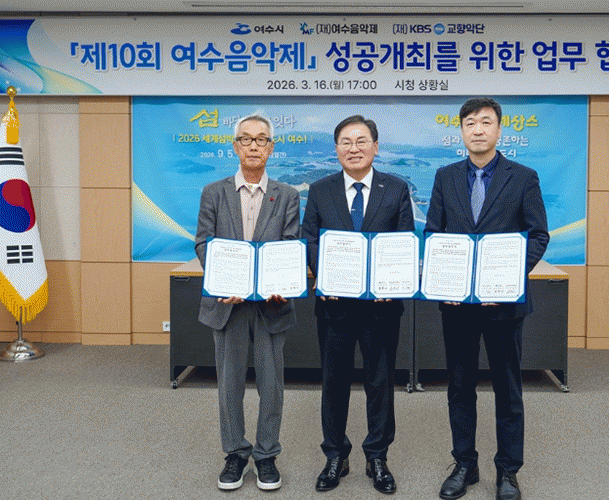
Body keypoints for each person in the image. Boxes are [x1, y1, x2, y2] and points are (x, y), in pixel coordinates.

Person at [424, 98, 549, 500]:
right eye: (470, 123)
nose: (477, 129)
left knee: (507, 390)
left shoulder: (523, 177)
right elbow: (433, 235)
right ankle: (465, 464)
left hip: (504, 306)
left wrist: (505, 280)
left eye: (485, 122)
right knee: (459, 387)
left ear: (499, 130)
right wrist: (446, 281)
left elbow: (538, 235)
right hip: (457, 305)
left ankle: (508, 471)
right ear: (461, 131)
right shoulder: (445, 177)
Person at [302, 115, 414, 494]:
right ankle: (335, 454)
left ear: (375, 147)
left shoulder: (396, 189)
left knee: (380, 383)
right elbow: (310, 238)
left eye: (361, 141)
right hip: (335, 306)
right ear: (336, 150)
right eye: (346, 142)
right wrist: (324, 273)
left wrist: (392, 281)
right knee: (333, 382)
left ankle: (377, 456)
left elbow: (403, 241)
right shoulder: (321, 190)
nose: (354, 148)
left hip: (381, 307)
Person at [195, 114, 300, 492]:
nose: (254, 146)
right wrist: (225, 280)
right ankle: (236, 453)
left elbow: (290, 244)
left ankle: (267, 454)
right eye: (246, 139)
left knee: (272, 386)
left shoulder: (287, 195)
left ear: (271, 148)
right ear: (235, 146)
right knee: (230, 385)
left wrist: (282, 282)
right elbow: (204, 243)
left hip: (271, 305)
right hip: (229, 304)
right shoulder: (213, 192)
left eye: (261, 140)